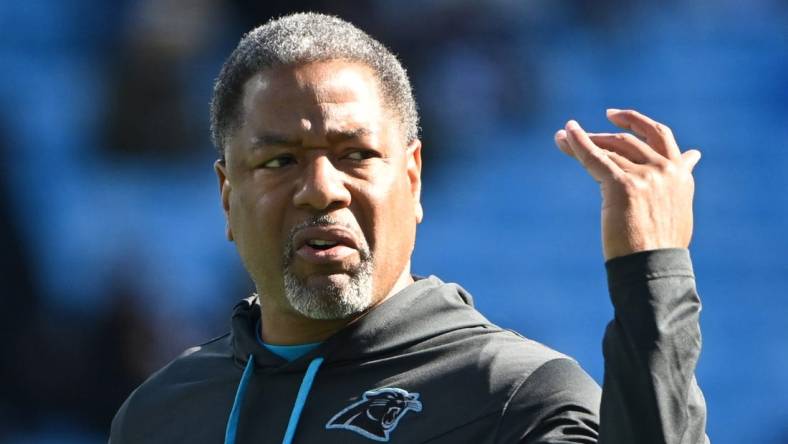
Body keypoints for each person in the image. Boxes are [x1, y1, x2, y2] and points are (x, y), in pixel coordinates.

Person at [110, 12, 709, 444]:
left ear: (413, 178)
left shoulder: (514, 398)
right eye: (279, 160)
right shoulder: (159, 414)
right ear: (226, 195)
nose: (322, 188)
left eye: (355, 155)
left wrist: (652, 277)